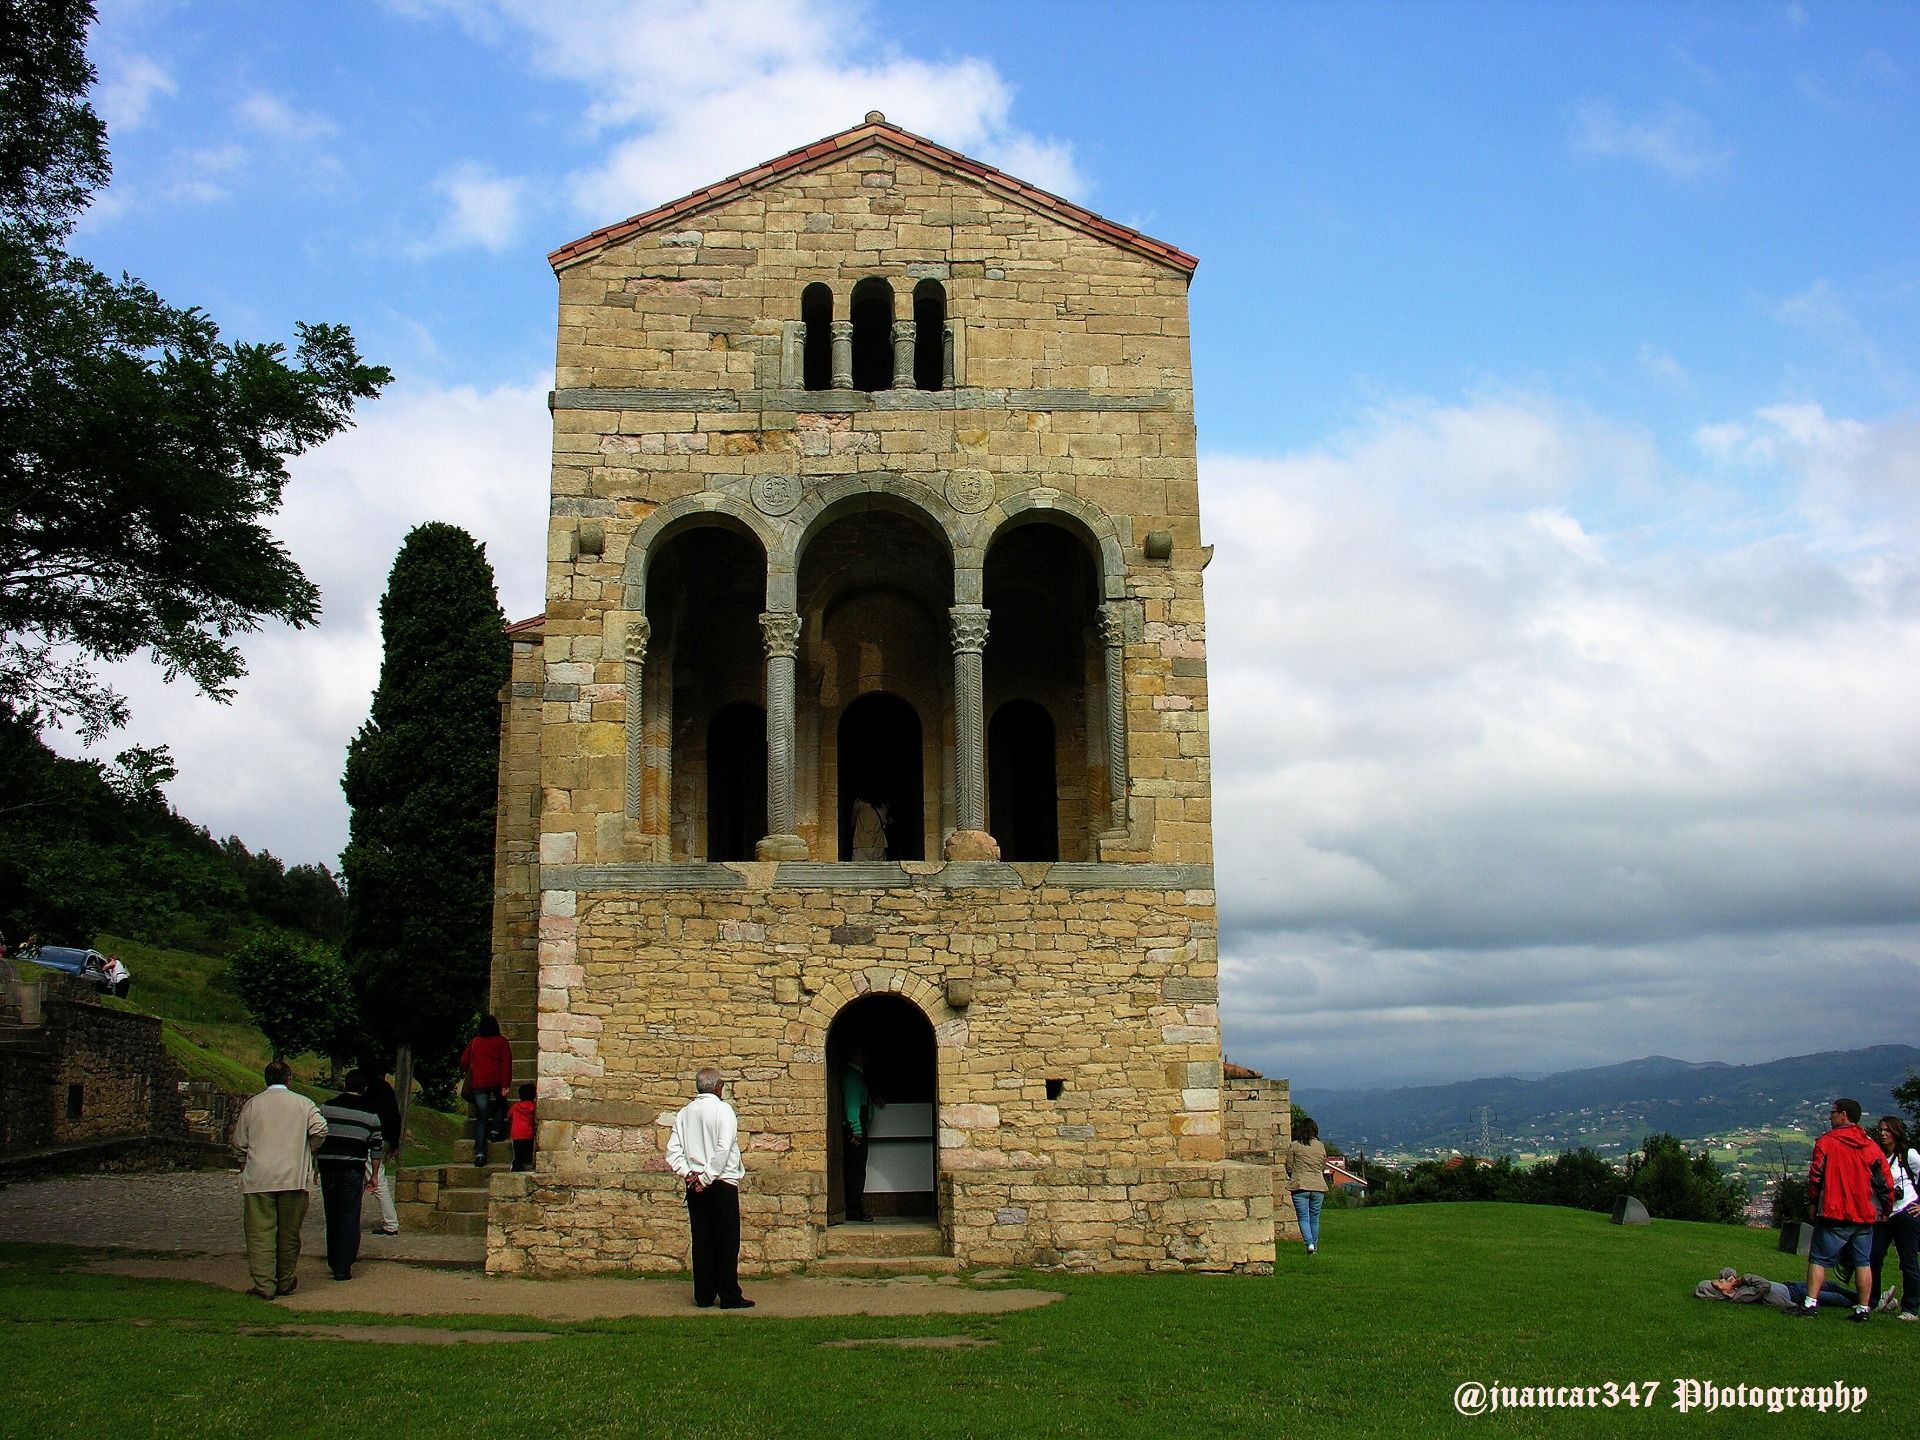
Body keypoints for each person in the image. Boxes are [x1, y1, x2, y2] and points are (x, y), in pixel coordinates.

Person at [1787, 1097, 1894, 1320]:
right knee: (1863, 1263)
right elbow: (1885, 1182)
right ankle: (1863, 1309)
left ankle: (1810, 1304)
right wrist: (1885, 1209)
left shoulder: (1827, 1142)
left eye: (1833, 1112)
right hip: (1864, 1215)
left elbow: (1816, 1176)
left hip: (1835, 1212)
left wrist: (1813, 1203)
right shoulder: (1871, 1147)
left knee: (1818, 1259)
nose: (1830, 1116)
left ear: (1844, 1115)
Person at [231, 1058, 327, 1299]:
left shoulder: (253, 1105)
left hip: (259, 1178)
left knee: (260, 1234)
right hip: (293, 1176)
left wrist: (244, 1160)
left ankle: (264, 1285)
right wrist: (310, 1149)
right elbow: (321, 1130)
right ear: (289, 1078)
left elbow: (239, 1142)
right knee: (288, 1233)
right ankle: (284, 1280)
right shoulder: (303, 1104)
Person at [665, 1067, 752, 1310]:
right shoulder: (723, 1110)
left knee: (702, 1239)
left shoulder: (684, 1113)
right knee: (726, 1240)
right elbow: (723, 1148)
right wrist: (706, 1177)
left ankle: (704, 1294)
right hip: (721, 1182)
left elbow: (673, 1151)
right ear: (718, 1086)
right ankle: (729, 1294)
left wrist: (689, 1174)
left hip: (696, 1185)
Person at [315, 1070, 385, 1281]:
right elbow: (376, 1147)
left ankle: (334, 1258)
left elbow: (316, 1134)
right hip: (352, 1169)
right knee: (349, 1215)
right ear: (364, 1089)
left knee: (332, 1213)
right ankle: (343, 1264)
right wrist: (373, 1175)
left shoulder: (327, 1108)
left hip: (328, 1166)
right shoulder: (370, 1115)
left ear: (345, 1085)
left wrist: (314, 1165)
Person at [1867, 1114, 1920, 1321]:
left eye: (1887, 1130)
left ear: (1896, 1133)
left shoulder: (1909, 1155)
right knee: (1874, 1257)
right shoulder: (1878, 1155)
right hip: (1884, 1213)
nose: (1883, 1134)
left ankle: (1911, 1308)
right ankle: (1872, 1300)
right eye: (1881, 1130)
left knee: (1908, 1260)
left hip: (1906, 1210)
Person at [458, 1015, 513, 1167]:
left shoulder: (475, 1042)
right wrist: (505, 1084)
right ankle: (495, 1130)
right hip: (496, 1081)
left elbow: (463, 1061)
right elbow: (506, 1064)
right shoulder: (502, 1042)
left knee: (481, 1119)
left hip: (479, 1082)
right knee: (502, 1105)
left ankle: (480, 1154)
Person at [362, 1066, 403, 1236]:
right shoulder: (386, 1089)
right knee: (372, 1176)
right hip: (385, 1138)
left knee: (377, 1178)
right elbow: (396, 1116)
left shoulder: (368, 1092)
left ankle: (391, 1223)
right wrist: (394, 1143)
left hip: (371, 1139)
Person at [840, 1047, 879, 1222]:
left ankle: (854, 1207)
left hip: (858, 1128)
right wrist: (856, 1130)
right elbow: (853, 1105)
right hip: (855, 1131)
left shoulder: (856, 1076)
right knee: (855, 1171)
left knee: (857, 1170)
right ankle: (854, 1209)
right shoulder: (852, 1077)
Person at [1695, 1267, 1856, 1309]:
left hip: (1789, 1286)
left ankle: (1864, 1298)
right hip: (1793, 1296)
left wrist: (1730, 1278)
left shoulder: (1734, 1288)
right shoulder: (1741, 1295)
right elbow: (1764, 1286)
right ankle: (1864, 1304)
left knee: (1831, 1285)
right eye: (1719, 1282)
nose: (1721, 1279)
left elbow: (1728, 1270)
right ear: (1722, 1291)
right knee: (1834, 1298)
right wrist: (1741, 1281)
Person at [1284, 1115, 1329, 1254]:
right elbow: (1322, 1165)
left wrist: (1294, 1174)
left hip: (1300, 1186)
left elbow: (1289, 1166)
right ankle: (1314, 1247)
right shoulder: (1320, 1146)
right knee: (1314, 1218)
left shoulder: (1295, 1146)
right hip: (1318, 1185)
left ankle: (1309, 1243)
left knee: (1303, 1217)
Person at [509, 1082, 537, 1171]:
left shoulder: (516, 1107)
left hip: (517, 1134)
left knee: (518, 1153)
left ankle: (517, 1165)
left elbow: (509, 1115)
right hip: (529, 1133)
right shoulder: (534, 1107)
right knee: (529, 1149)